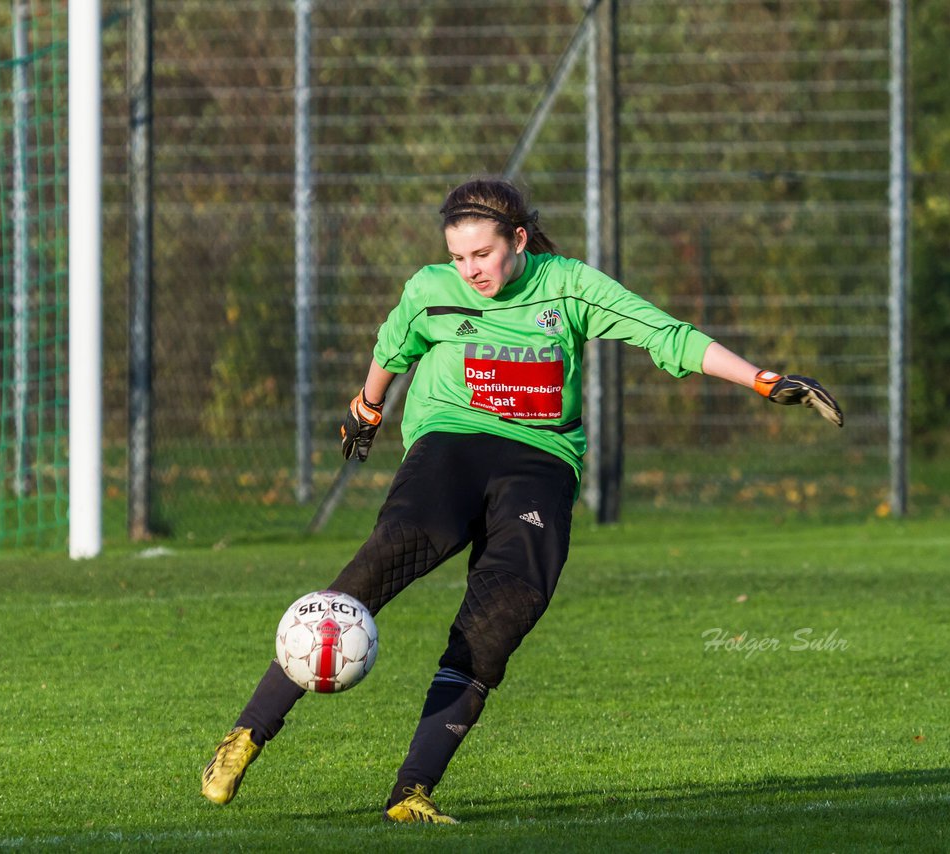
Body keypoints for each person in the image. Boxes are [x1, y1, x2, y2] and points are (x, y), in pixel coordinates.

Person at [200, 177, 842, 823]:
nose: (469, 269)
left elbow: (666, 335)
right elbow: (391, 347)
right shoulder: (431, 290)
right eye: (458, 257)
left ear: (519, 240)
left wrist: (763, 381)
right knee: (376, 565)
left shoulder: (568, 286)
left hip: (541, 463)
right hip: (450, 444)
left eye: (482, 254)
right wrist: (366, 409)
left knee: (498, 621)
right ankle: (245, 736)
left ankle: (411, 792)